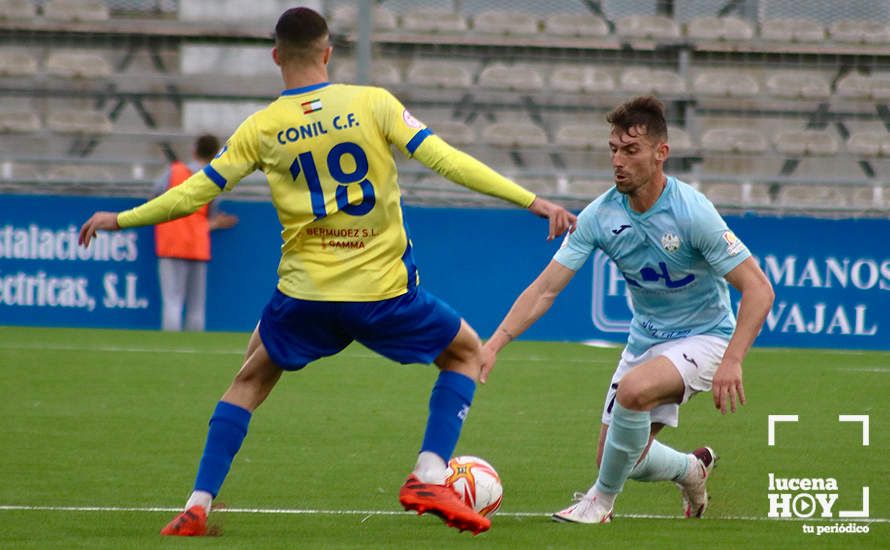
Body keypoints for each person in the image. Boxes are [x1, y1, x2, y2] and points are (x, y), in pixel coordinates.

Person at [78, 6, 576, 537]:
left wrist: (121, 219)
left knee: (248, 379)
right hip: (380, 292)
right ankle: (429, 472)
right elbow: (448, 160)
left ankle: (198, 504)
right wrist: (532, 200)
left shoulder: (262, 127)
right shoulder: (371, 103)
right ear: (328, 52)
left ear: (276, 57)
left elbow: (196, 192)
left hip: (306, 296)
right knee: (467, 352)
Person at [481, 96, 774, 524]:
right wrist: (493, 345)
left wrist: (733, 360)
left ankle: (599, 504)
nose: (618, 161)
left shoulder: (693, 213)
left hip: (706, 337)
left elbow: (759, 289)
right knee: (620, 458)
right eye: (614, 150)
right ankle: (691, 469)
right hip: (646, 339)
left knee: (633, 393)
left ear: (661, 153)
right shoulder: (600, 216)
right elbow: (545, 290)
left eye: (631, 150)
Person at [153, 134, 238, 332]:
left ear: (194, 149)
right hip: (197, 243)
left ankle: (170, 348)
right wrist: (216, 223)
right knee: (196, 307)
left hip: (171, 241)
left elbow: (154, 198)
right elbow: (211, 213)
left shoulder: (174, 171)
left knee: (172, 301)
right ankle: (193, 348)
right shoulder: (213, 177)